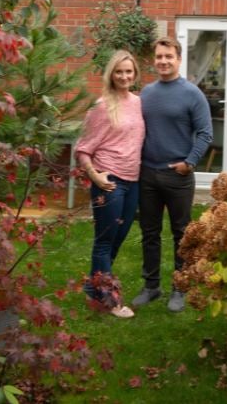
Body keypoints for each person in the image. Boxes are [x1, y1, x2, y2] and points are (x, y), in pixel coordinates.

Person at [132, 36, 213, 312]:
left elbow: (205, 133)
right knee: (150, 232)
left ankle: (180, 287)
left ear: (179, 59)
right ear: (154, 60)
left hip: (178, 177)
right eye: (159, 57)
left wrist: (189, 163)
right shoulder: (147, 93)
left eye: (169, 56)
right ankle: (151, 286)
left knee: (182, 234)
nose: (163, 61)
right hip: (148, 175)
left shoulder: (193, 94)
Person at [75, 50, 145, 318]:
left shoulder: (138, 103)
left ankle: (94, 289)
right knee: (104, 242)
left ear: (134, 74)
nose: (124, 76)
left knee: (117, 239)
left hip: (133, 181)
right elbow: (82, 148)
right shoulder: (102, 106)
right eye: (119, 72)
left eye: (129, 71)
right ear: (111, 74)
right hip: (110, 181)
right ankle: (110, 300)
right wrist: (95, 176)